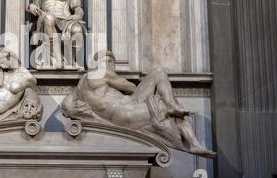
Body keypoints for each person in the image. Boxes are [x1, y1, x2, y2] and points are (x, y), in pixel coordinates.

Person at [62, 51, 217, 158]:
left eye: (111, 63)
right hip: (127, 112)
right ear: (102, 63)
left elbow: (66, 106)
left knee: (161, 94)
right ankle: (192, 141)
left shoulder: (79, 88)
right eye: (109, 62)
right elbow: (130, 87)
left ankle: (175, 111)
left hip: (119, 116)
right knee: (158, 72)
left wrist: (90, 112)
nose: (110, 65)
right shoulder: (102, 72)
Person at [28, 0, 86, 69]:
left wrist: (78, 15)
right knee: (49, 17)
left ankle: (71, 61)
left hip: (65, 20)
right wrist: (31, 6)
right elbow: (37, 9)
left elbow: (78, 7)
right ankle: (58, 60)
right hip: (46, 19)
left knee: (77, 30)